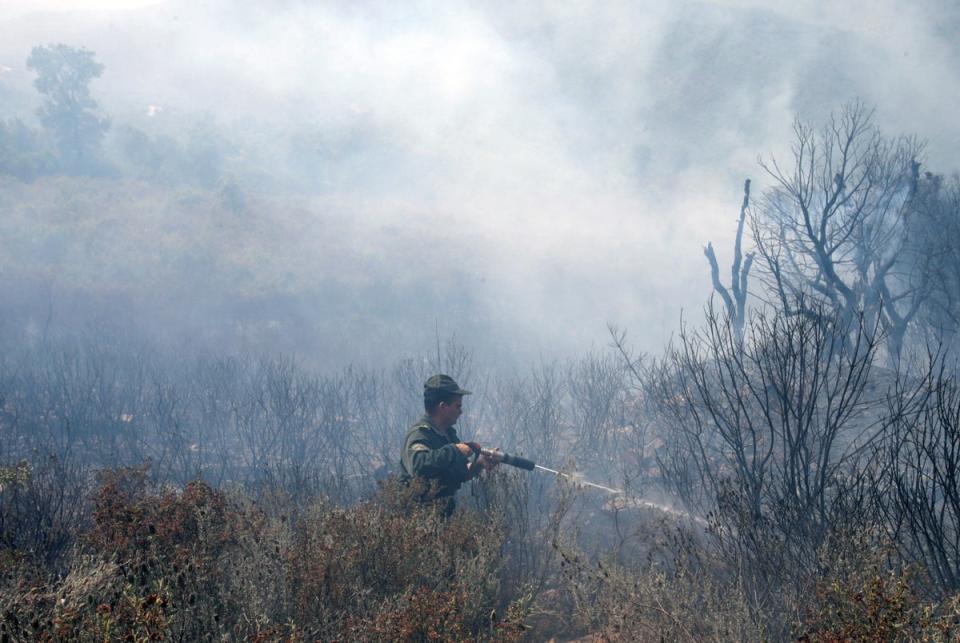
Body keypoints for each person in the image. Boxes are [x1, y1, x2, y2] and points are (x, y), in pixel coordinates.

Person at [399, 374, 497, 514]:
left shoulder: (449, 435)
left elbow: (460, 473)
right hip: (417, 523)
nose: (461, 412)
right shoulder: (420, 434)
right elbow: (418, 465)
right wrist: (454, 451)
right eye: (457, 406)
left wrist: (480, 464)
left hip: (442, 521)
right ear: (443, 407)